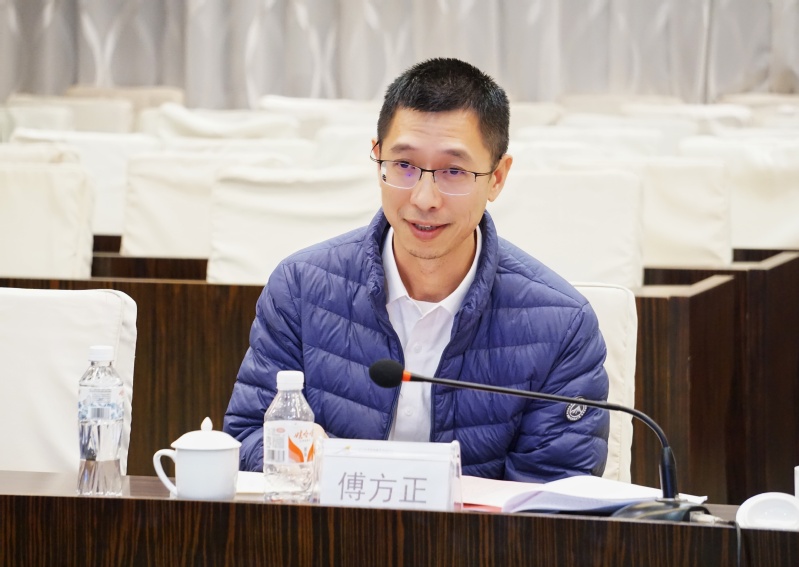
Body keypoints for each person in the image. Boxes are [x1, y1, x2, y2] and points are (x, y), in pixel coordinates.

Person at [223, 58, 609, 483]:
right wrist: (306, 457)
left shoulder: (562, 326)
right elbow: (245, 438)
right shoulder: (300, 288)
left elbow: (553, 493)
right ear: (378, 158)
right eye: (404, 166)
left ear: (497, 178)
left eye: (454, 171)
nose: (424, 198)